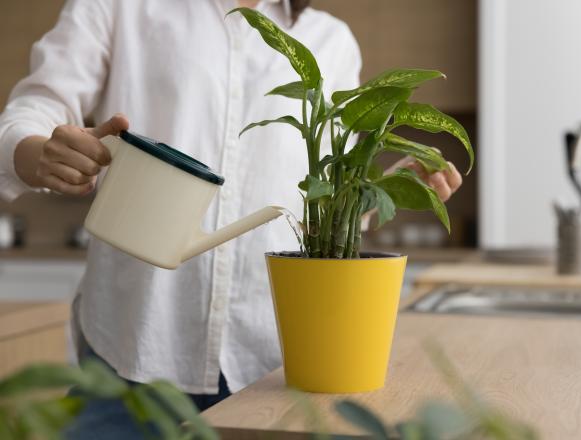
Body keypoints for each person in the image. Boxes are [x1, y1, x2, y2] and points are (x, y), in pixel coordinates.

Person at [0, 0, 463, 437]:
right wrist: (37, 152)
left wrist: (383, 188)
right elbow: (33, 110)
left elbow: (320, 209)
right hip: (132, 361)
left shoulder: (330, 39)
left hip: (275, 370)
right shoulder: (120, 8)